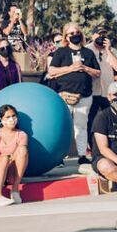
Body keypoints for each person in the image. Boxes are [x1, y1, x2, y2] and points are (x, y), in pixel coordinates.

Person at [48, 23, 101, 164]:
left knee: (81, 126)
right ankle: (58, 157)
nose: (74, 35)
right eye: (71, 33)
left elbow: (97, 73)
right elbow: (52, 71)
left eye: (77, 32)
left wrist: (85, 68)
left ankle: (82, 155)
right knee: (62, 126)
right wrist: (71, 68)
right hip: (64, 95)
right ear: (66, 36)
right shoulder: (61, 52)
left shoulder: (88, 53)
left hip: (84, 95)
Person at [0, 104, 29, 206]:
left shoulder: (22, 134)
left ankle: (15, 190)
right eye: (8, 117)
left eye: (14, 116)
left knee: (23, 150)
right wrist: (5, 159)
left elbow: (20, 156)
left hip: (12, 172)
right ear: (1, 119)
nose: (12, 119)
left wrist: (9, 159)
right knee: (4, 158)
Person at [87, 26, 117, 144]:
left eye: (104, 34)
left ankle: (110, 144)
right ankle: (91, 145)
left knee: (109, 119)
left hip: (107, 91)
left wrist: (108, 50)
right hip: (92, 91)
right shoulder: (87, 49)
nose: (101, 37)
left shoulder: (112, 51)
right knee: (91, 120)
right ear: (93, 36)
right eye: (99, 34)